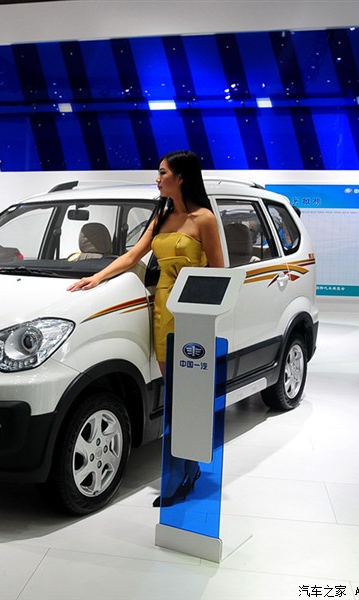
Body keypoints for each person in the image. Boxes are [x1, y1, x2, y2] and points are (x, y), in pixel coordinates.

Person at [68, 150, 225, 507]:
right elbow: (132, 256)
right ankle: (183, 469)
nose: (157, 178)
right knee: (173, 393)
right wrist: (97, 278)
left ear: (181, 177)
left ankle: (186, 471)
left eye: (163, 172)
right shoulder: (162, 215)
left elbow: (219, 272)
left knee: (189, 394)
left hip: (192, 311)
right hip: (163, 308)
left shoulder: (204, 219)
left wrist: (205, 313)